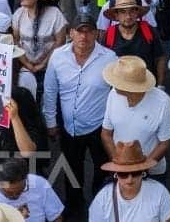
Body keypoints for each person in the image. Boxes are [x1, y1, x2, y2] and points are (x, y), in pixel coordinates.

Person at [43, 13, 116, 215]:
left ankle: (101, 205)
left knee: (103, 168)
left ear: (96, 33)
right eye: (79, 31)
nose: (84, 37)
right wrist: (50, 122)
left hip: (99, 128)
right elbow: (50, 92)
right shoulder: (57, 56)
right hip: (69, 127)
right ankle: (75, 206)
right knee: (71, 170)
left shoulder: (109, 58)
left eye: (88, 31)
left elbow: (117, 94)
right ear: (70, 33)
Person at [100, 56, 170, 178]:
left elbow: (165, 143)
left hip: (152, 172)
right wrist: (118, 163)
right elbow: (106, 133)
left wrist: (141, 169)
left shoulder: (163, 101)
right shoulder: (113, 94)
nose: (113, 84)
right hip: (121, 171)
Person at [89, 140, 170, 222]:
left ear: (143, 172)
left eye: (135, 173)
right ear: (116, 174)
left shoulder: (160, 193)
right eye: (123, 174)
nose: (129, 179)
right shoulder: (102, 199)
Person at [0, 158, 64, 221]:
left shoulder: (40, 184)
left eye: (20, 191)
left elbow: (56, 217)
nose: (15, 196)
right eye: (8, 193)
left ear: (26, 179)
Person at [102, 0, 166, 82]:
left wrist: (160, 85)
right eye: (123, 12)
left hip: (147, 84)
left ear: (137, 13)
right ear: (116, 15)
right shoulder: (109, 34)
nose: (128, 16)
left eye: (132, 11)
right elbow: (102, 63)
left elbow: (160, 57)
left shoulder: (148, 31)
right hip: (118, 87)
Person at [12, 0, 68, 78]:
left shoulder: (55, 14)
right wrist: (27, 64)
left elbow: (60, 42)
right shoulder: (18, 14)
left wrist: (43, 64)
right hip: (24, 67)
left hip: (51, 66)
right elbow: (15, 41)